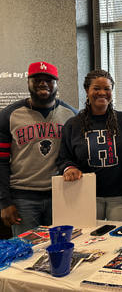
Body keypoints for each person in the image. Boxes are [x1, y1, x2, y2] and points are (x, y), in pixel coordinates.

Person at [0, 61, 77, 235]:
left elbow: (76, 157)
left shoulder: (71, 115)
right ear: (28, 82)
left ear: (57, 84)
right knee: (28, 253)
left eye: (49, 80)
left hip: (60, 195)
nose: (43, 83)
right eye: (37, 79)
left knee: (63, 247)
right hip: (23, 197)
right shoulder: (9, 115)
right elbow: (1, 162)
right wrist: (4, 202)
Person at [56, 70, 122, 221]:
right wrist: (70, 168)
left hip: (119, 196)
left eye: (107, 89)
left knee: (116, 241)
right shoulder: (73, 124)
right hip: (86, 194)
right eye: (96, 88)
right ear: (87, 90)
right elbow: (63, 158)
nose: (102, 93)